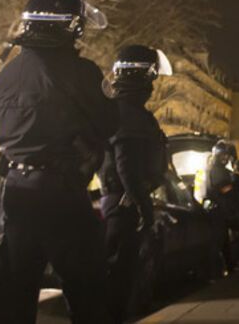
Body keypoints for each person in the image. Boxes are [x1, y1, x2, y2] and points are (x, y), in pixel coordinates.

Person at [0, 0, 118, 323]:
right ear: (72, 27)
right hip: (61, 191)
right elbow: (108, 123)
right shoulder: (81, 72)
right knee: (87, 286)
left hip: (16, 191)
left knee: (17, 290)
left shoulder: (7, 72)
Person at [99, 44, 172, 321]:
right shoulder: (130, 114)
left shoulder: (121, 110)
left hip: (119, 201)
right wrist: (143, 205)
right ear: (144, 77)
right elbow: (126, 164)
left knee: (120, 273)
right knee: (120, 275)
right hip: (123, 204)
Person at [204, 142, 236, 272]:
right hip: (218, 209)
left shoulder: (220, 169)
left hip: (222, 208)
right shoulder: (216, 169)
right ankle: (214, 270)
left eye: (227, 155)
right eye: (223, 155)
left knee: (224, 239)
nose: (226, 158)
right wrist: (232, 187)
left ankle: (228, 266)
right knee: (218, 240)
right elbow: (220, 189)